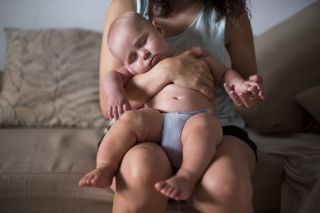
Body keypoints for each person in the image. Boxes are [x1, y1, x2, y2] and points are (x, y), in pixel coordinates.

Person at [98, 0, 265, 212]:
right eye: (133, 57)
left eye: (144, 43)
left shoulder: (227, 19)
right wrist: (170, 69)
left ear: (157, 29)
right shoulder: (128, 6)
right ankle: (104, 166)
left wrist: (245, 91)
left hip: (215, 125)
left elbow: (232, 77)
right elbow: (109, 99)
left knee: (225, 184)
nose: (144, 55)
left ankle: (186, 177)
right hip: (150, 128)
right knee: (141, 170)